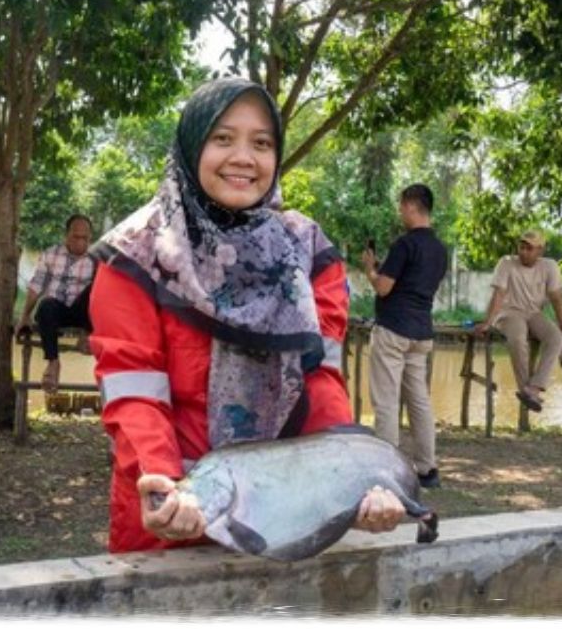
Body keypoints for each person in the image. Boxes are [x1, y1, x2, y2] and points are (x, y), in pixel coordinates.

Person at [88, 78, 406, 553]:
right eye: (222, 139)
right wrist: (166, 486)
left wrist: (354, 478)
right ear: (193, 144)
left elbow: (319, 380)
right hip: (171, 508)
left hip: (289, 511)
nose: (244, 157)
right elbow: (135, 395)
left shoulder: (308, 250)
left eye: (262, 143)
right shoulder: (136, 254)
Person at [361, 184, 448, 489]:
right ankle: (428, 469)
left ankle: (387, 473)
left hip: (394, 329)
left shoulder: (404, 245)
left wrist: (370, 269)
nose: (400, 212)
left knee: (386, 401)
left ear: (411, 206)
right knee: (419, 402)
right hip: (421, 332)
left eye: (401, 206)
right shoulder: (440, 249)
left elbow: (384, 287)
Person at [474, 230, 562, 412]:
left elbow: (557, 299)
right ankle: (525, 389)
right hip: (509, 312)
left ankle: (534, 387)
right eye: (521, 247)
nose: (524, 251)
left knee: (556, 338)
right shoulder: (506, 263)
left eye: (529, 248)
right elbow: (499, 295)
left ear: (540, 251)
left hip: (534, 313)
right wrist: (487, 323)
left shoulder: (550, 266)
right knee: (518, 337)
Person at [14, 214, 97, 394]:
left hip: (84, 312)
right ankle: (53, 363)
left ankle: (86, 334)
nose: (80, 242)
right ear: (66, 235)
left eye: (85, 237)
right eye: (76, 236)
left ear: (90, 238)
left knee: (96, 288)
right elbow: (36, 285)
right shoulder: (51, 254)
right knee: (46, 305)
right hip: (56, 311)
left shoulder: (97, 258)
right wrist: (24, 316)